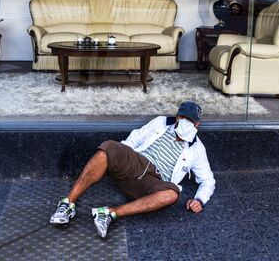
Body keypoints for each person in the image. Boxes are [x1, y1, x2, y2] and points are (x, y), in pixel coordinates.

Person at [50, 101, 215, 238]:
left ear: (197, 125)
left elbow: (208, 180)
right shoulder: (161, 122)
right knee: (108, 148)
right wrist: (122, 157)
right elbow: (134, 138)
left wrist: (200, 200)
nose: (185, 122)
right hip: (136, 163)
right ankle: (68, 204)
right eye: (182, 117)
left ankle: (109, 213)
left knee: (172, 194)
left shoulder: (197, 148)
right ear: (177, 115)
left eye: (190, 120)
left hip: (154, 182)